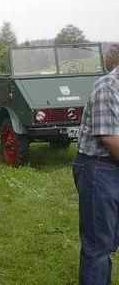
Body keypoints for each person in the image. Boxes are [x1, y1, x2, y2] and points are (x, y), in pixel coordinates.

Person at [73, 66, 119, 285]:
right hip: (99, 169)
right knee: (99, 245)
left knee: (110, 239)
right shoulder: (108, 87)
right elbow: (110, 139)